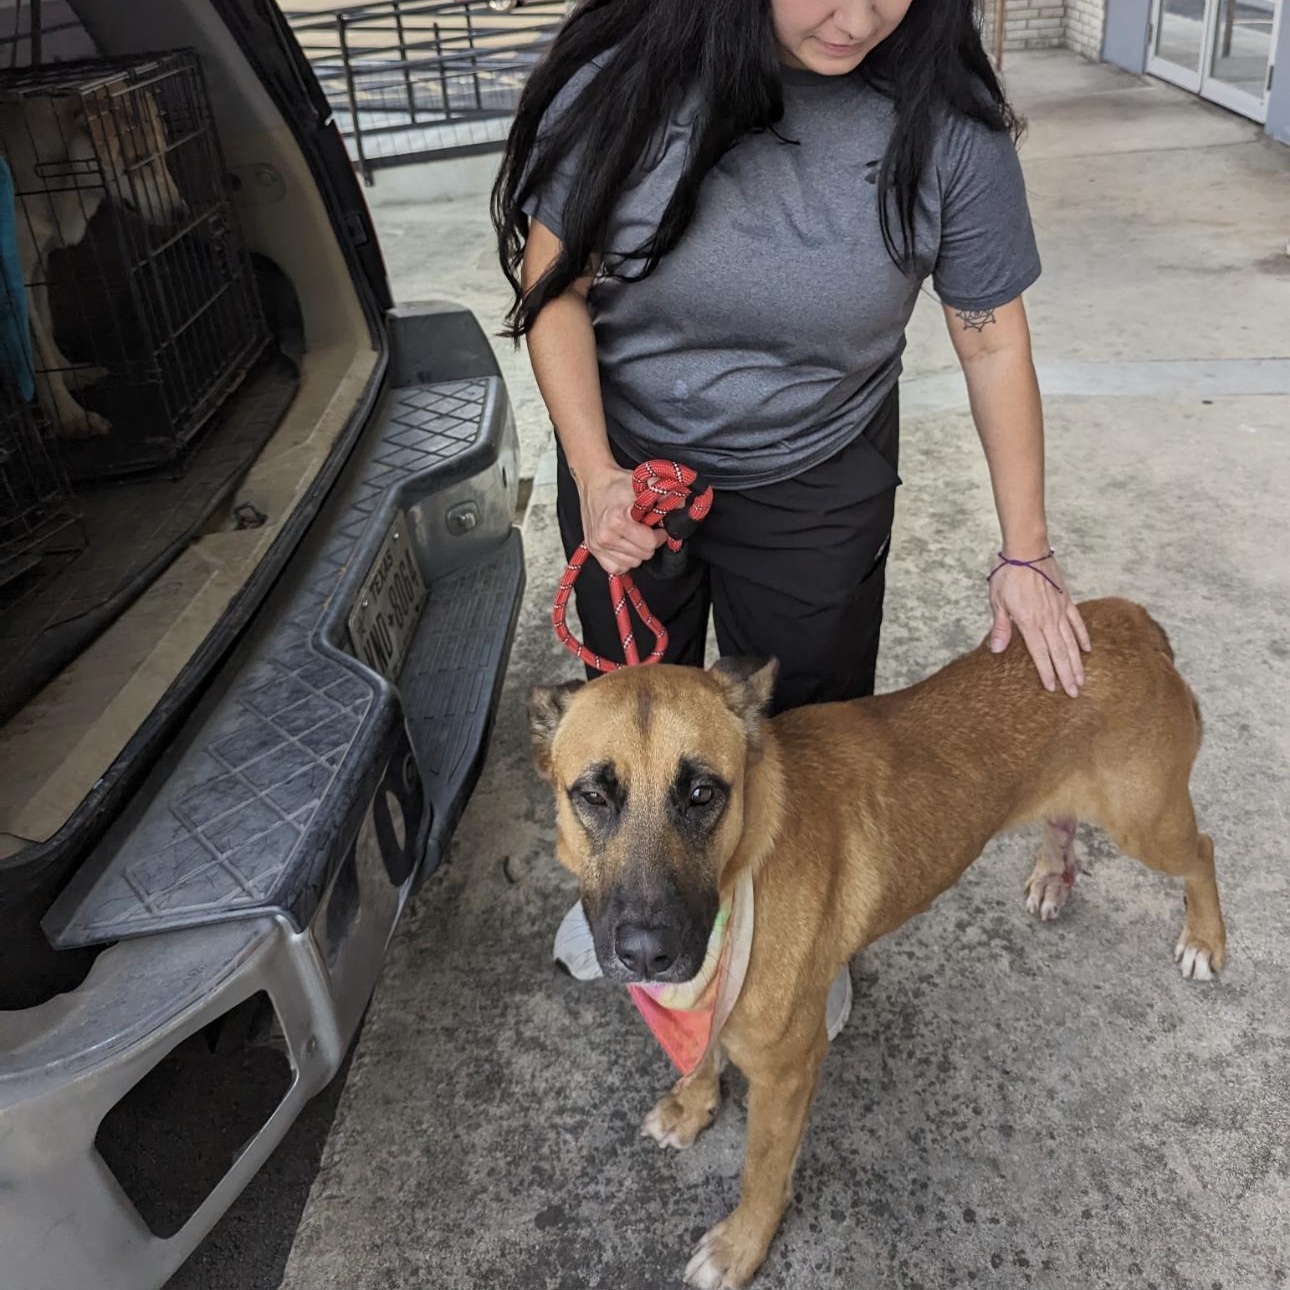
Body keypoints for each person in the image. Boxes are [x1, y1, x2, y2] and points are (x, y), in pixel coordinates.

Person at [492, 0, 1092, 1015]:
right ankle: (630, 888)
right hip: (630, 466)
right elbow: (554, 293)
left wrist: (1024, 551)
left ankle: (797, 925)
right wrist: (595, 472)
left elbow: (991, 340)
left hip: (820, 468)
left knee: (804, 721)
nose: (856, 18)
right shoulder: (627, 86)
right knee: (631, 720)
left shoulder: (947, 124)